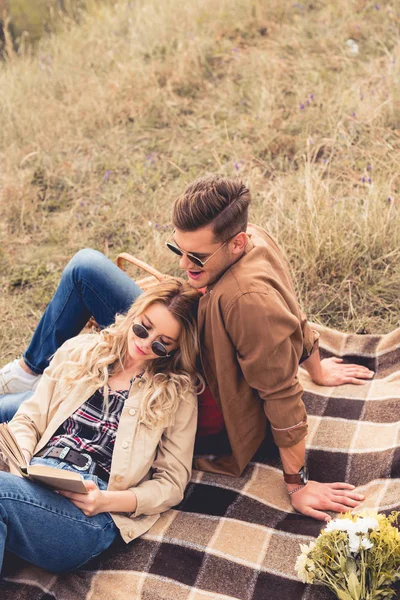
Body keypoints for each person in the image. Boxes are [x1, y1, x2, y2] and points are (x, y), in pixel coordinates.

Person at [0, 175, 373, 522]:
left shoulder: (249, 304)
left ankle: (33, 388)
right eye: (180, 250)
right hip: (180, 336)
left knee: (35, 410)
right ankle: (28, 372)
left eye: (196, 258)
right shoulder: (252, 238)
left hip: (179, 380)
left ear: (236, 244)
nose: (183, 264)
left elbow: (282, 395)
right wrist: (319, 369)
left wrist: (299, 484)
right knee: (86, 268)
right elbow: (294, 315)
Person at [0, 278, 201, 573]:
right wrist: (24, 467)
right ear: (134, 314)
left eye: (161, 343)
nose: (145, 344)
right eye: (143, 328)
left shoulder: (176, 393)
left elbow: (171, 484)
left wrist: (106, 501)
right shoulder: (80, 351)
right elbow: (29, 418)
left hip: (90, 513)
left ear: (175, 349)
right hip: (34, 480)